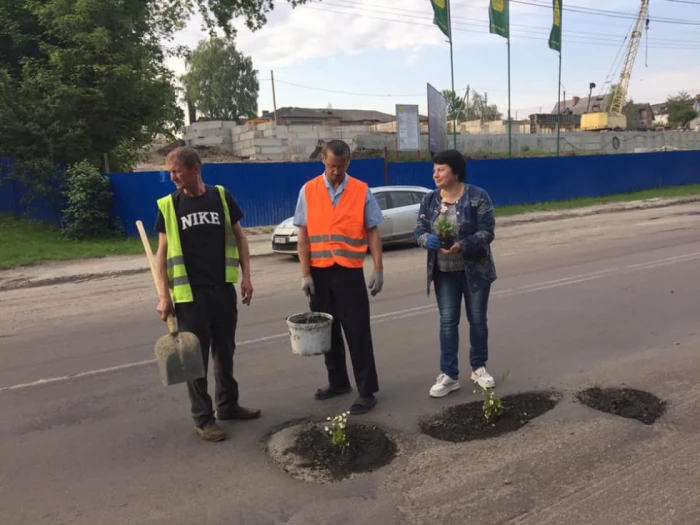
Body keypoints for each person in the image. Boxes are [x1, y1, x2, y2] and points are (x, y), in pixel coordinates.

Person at [154, 146, 260, 442]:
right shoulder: (169, 206)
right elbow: (161, 257)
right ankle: (203, 419)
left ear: (196, 168)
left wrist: (247, 277)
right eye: (171, 171)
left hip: (222, 290)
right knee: (194, 359)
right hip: (190, 295)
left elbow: (240, 237)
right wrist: (165, 296)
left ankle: (228, 405)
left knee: (225, 351)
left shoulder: (221, 197)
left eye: (177, 171)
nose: (172, 176)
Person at [293, 139, 384, 415]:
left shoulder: (360, 190)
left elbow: (373, 231)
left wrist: (378, 268)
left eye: (342, 167)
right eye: (332, 166)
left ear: (348, 163)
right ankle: (339, 382)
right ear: (323, 159)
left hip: (348, 272)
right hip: (319, 274)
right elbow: (303, 235)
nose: (336, 171)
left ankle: (367, 391)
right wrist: (305, 274)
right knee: (327, 332)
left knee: (357, 332)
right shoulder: (308, 190)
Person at [413, 149, 497, 398]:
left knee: (478, 320)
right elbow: (417, 229)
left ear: (455, 172)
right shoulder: (429, 200)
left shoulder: (477, 197)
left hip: (475, 271)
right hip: (444, 272)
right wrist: (426, 238)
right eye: (434, 169)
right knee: (448, 322)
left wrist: (464, 244)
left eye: (441, 169)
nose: (435, 174)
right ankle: (449, 375)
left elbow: (487, 232)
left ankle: (479, 368)